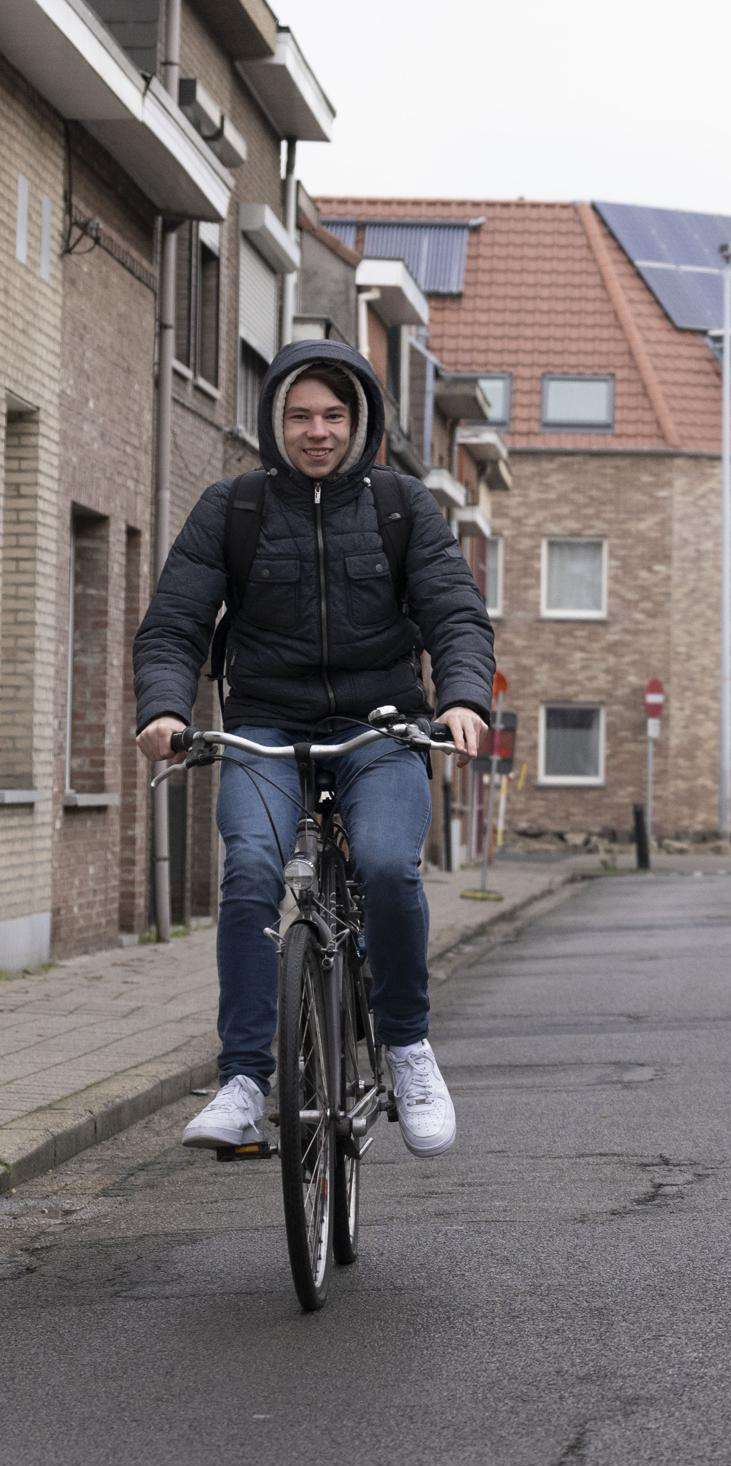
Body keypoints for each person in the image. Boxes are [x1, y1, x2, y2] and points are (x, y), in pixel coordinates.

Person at [133, 339, 495, 1157]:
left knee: (388, 865)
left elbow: (454, 612)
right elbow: (174, 625)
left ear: (358, 420)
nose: (318, 431)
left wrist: (463, 698)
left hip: (381, 727)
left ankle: (408, 1047)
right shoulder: (233, 509)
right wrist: (163, 708)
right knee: (251, 870)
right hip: (264, 724)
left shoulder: (402, 506)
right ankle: (242, 1083)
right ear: (275, 421)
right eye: (300, 416)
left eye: (333, 415)